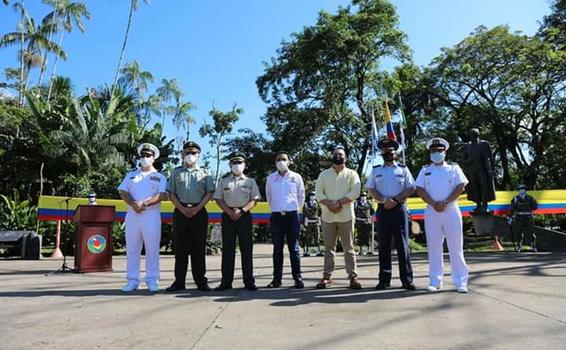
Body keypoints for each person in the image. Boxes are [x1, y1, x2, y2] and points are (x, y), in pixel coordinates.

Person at [415, 137, 470, 293]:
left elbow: (461, 186)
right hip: (432, 211)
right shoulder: (425, 170)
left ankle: (461, 281)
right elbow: (419, 189)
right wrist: (434, 204)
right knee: (434, 247)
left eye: (439, 151)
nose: (436, 154)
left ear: (445, 152)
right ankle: (435, 280)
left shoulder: (453, 168)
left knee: (456, 246)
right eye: (433, 151)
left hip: (451, 210)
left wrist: (445, 202)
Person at [366, 138, 416, 290]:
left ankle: (407, 280)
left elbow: (410, 188)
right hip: (382, 209)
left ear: (396, 153)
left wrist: (394, 200)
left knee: (402, 245)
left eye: (391, 152)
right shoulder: (376, 170)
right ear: (381, 153)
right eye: (385, 152)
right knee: (384, 245)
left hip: (399, 209)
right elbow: (371, 188)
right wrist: (383, 200)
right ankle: (384, 280)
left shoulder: (403, 169)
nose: (388, 154)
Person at [118, 143, 167, 293]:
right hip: (133, 214)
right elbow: (122, 191)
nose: (145, 158)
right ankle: (132, 280)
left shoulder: (159, 177)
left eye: (148, 156)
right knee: (132, 249)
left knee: (152, 248)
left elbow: (162, 195)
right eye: (143, 156)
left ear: (154, 158)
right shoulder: (131, 175)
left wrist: (144, 203)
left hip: (150, 215)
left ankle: (152, 279)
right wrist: (134, 204)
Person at [166, 141, 215, 292]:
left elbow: (209, 193)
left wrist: (197, 208)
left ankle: (201, 281)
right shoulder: (176, 172)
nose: (190, 155)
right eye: (187, 152)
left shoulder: (205, 172)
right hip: (180, 211)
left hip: (199, 212)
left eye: (193, 153)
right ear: (182, 154)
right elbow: (171, 193)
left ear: (198, 155)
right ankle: (179, 281)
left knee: (199, 248)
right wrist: (181, 208)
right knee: (180, 248)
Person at [314, 146, 362, 289]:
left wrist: (339, 203)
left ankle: (353, 276)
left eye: (341, 154)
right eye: (335, 154)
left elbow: (355, 192)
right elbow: (318, 193)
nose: (338, 156)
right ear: (331, 157)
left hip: (346, 216)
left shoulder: (352, 174)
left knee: (349, 248)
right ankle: (327, 276)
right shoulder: (324, 175)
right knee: (329, 248)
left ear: (346, 158)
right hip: (327, 216)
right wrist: (329, 204)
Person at [214, 152, 261, 291]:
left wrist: (242, 211)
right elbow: (218, 199)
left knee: (247, 250)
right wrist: (229, 212)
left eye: (239, 163)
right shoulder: (223, 181)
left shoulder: (250, 181)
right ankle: (226, 282)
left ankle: (249, 282)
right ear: (230, 165)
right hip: (228, 216)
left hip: (244, 216)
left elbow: (255, 200)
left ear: (244, 165)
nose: (237, 165)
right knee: (228, 250)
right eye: (234, 163)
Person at [265, 151, 306, 288]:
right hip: (276, 216)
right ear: (275, 162)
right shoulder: (270, 178)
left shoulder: (296, 177)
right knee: (277, 249)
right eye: (278, 159)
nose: (281, 161)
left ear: (289, 161)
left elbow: (301, 196)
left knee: (294, 249)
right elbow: (269, 197)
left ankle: (298, 278)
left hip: (292, 216)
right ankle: (276, 280)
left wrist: (293, 209)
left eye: (284, 159)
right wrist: (277, 208)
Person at [462, 128, 496, 212]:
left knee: (484, 186)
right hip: (472, 170)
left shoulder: (484, 144)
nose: (473, 136)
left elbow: (488, 158)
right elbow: (462, 159)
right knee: (475, 187)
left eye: (474, 134)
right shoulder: (467, 146)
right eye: (471, 135)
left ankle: (485, 204)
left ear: (478, 135)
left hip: (482, 169)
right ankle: (478, 204)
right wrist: (467, 161)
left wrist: (490, 169)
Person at [510, 184, 538, 252]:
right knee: (519, 233)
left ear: (525, 191)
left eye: (523, 189)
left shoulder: (530, 198)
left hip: (528, 217)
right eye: (520, 190)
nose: (521, 191)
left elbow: (535, 207)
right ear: (518, 191)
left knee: (531, 232)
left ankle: (533, 246)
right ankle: (519, 246)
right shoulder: (515, 198)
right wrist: (510, 217)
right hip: (519, 218)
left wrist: (532, 204)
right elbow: (513, 209)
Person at [302, 191, 322, 257]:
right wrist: (304, 223)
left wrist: (320, 221)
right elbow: (304, 214)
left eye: (314, 195)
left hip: (316, 222)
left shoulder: (317, 204)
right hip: (309, 222)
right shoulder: (306, 204)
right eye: (311, 195)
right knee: (308, 238)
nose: (312, 197)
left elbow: (320, 213)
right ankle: (307, 251)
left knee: (317, 237)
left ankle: (318, 251)